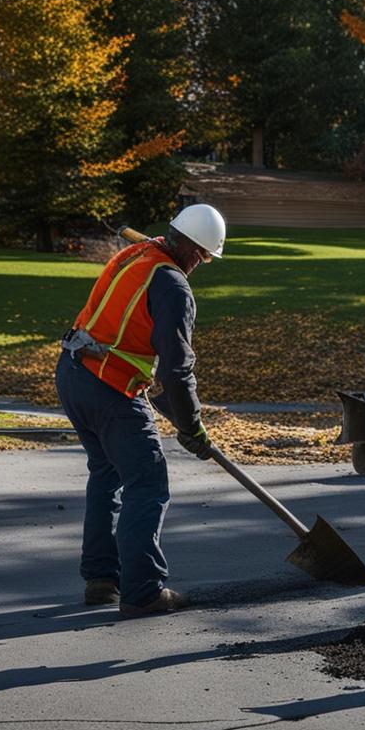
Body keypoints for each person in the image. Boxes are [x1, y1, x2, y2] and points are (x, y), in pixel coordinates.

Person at [55, 204, 226, 618]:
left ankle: (101, 580)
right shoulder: (172, 286)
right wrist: (193, 427)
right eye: (202, 256)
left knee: (107, 473)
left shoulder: (137, 254)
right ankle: (144, 591)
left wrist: (180, 416)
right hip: (108, 388)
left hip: (74, 372)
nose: (200, 265)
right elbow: (177, 367)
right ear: (189, 249)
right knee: (147, 483)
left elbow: (156, 366)